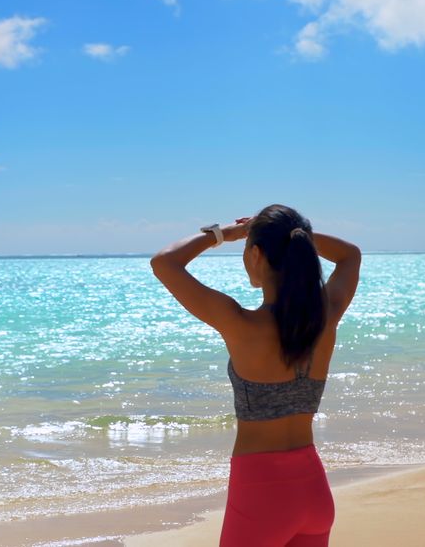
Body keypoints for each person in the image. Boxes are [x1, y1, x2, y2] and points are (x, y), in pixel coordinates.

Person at [150, 203, 361, 546]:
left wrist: (222, 234)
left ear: (257, 254)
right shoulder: (326, 317)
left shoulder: (241, 323)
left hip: (262, 494)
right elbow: (350, 255)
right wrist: (298, 237)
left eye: (247, 247)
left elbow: (164, 262)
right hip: (314, 489)